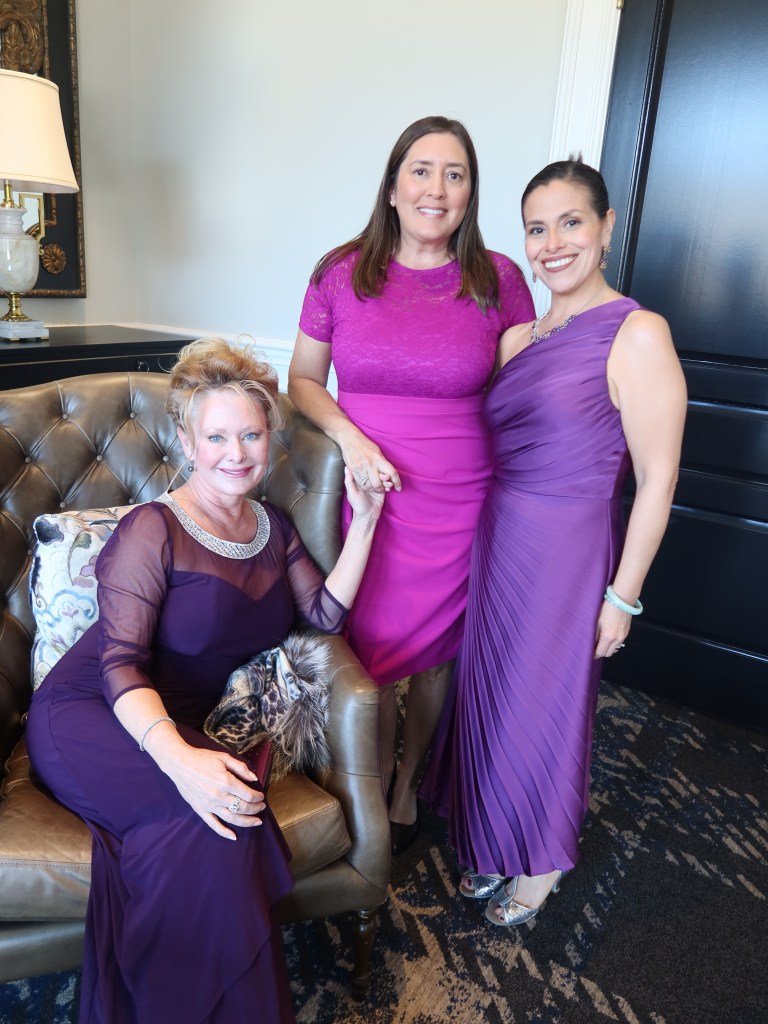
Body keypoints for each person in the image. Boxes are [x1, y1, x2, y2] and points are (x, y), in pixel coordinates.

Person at [26, 338, 384, 1024]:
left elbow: (323, 614)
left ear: (270, 436)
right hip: (94, 713)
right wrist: (181, 760)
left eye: (251, 434)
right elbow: (119, 665)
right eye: (216, 436)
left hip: (180, 722)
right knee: (212, 827)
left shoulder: (273, 527)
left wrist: (364, 521)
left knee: (232, 818)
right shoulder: (152, 529)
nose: (236, 453)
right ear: (187, 443)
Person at [420, 159, 687, 926]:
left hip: (570, 545)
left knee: (547, 702)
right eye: (537, 229)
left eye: (571, 222)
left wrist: (622, 597)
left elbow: (659, 479)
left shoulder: (638, 333)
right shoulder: (516, 339)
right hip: (500, 534)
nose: (552, 243)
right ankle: (493, 834)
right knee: (493, 692)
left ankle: (540, 859)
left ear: (606, 227)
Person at [288, 115, 534, 853]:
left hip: (459, 495)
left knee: (435, 656)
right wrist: (352, 439)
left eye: (455, 174)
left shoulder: (498, 279)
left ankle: (406, 786)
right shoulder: (341, 271)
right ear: (392, 187)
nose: (437, 188)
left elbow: (525, 393)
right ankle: (363, 780)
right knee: (365, 646)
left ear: (470, 193)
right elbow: (303, 381)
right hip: (362, 489)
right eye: (421, 171)